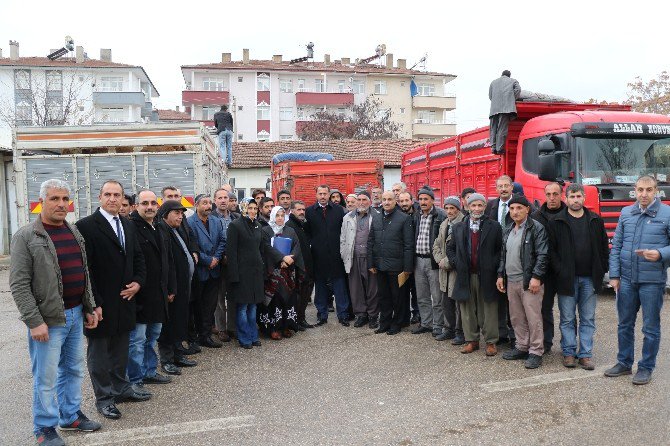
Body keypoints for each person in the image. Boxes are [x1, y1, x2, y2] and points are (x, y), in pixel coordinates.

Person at [10, 179, 101, 445]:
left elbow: (83, 272)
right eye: (54, 199)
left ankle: (70, 416)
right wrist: (33, 321)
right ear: (41, 201)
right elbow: (18, 284)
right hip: (48, 321)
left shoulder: (73, 231)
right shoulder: (26, 236)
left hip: (74, 313)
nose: (61, 204)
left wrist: (89, 306)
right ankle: (44, 428)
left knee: (73, 370)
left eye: (65, 199)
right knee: (46, 377)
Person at [75, 180, 148, 420]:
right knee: (99, 356)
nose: (113, 199)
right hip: (101, 303)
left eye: (117, 195)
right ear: (99, 197)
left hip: (126, 301)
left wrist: (138, 282)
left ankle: (121, 389)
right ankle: (104, 398)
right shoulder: (86, 226)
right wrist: (93, 303)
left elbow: (138, 257)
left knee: (120, 352)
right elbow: (85, 269)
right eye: (108, 194)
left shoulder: (127, 225)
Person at [605, 175, 670, 385]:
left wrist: (660, 254)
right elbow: (616, 246)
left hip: (652, 281)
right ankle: (624, 363)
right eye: (640, 190)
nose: (644, 194)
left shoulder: (667, 213)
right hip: (626, 280)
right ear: (635, 189)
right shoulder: (626, 212)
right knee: (624, 324)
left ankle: (645, 367)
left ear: (656, 190)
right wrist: (614, 275)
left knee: (650, 327)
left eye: (649, 190)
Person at [550, 184, 609, 370]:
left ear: (584, 198)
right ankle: (568, 352)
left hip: (589, 278)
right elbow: (551, 251)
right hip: (566, 279)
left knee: (588, 318)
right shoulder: (557, 221)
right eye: (572, 196)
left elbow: (603, 248)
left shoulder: (595, 220)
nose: (575, 200)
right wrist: (560, 269)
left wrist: (602, 268)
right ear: (565, 199)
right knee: (567, 318)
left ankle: (585, 354)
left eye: (578, 196)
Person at [127, 190, 175, 389]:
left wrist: (170, 287)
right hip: (140, 296)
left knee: (152, 337)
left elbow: (168, 259)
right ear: (136, 205)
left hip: (159, 295)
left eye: (153, 203)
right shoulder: (130, 227)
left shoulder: (160, 227)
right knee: (137, 341)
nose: (149, 207)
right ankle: (135, 380)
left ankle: (149, 371)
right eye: (145, 203)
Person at [447, 193, 502, 356]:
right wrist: (457, 262)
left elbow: (500, 250)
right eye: (473, 205)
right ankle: (472, 340)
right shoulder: (459, 227)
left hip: (487, 275)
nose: (476, 209)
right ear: (467, 207)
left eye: (480, 205)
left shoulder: (494, 226)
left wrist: (494, 266)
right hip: (466, 275)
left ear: (485, 207)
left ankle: (491, 342)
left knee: (489, 309)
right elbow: (450, 248)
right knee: (467, 310)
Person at [496, 195, 548, 369]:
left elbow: (542, 254)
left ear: (527, 209)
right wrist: (500, 275)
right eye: (512, 209)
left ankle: (536, 351)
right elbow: (503, 255)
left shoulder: (536, 228)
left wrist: (536, 277)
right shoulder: (509, 229)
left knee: (533, 317)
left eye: (519, 208)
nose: (515, 212)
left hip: (529, 281)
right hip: (511, 280)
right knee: (517, 317)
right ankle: (522, 346)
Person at [156, 200, 197, 375]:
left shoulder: (177, 229)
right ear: (165, 214)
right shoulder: (162, 231)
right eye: (176, 213)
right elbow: (165, 263)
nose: (181, 216)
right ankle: (167, 359)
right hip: (172, 287)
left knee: (179, 320)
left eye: (182, 213)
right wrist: (169, 288)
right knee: (168, 324)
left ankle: (178, 354)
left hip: (182, 285)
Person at [368, 191, 414, 335]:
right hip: (380, 265)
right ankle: (385, 322)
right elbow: (370, 242)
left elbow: (408, 245)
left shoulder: (404, 218)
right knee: (383, 297)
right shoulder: (375, 217)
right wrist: (371, 263)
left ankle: (397, 323)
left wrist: (407, 268)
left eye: (390, 199)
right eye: (384, 199)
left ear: (396, 201)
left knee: (398, 297)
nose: (386, 202)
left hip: (397, 267)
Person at [305, 184, 351, 326]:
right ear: (316, 195)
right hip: (318, 256)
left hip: (337, 256)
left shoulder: (338, 210)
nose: (323, 196)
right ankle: (322, 315)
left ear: (329, 194)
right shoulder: (310, 212)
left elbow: (344, 232)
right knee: (320, 288)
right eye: (320, 194)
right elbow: (307, 233)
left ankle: (343, 315)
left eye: (325, 193)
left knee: (340, 287)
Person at [187, 194, 226, 349]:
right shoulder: (190, 222)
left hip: (214, 271)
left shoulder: (217, 221)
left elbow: (223, 241)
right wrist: (208, 260)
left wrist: (216, 258)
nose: (208, 206)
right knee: (197, 306)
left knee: (210, 306)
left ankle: (206, 336)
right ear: (197, 205)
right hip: (200, 271)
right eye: (204, 203)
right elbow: (192, 245)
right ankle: (194, 337)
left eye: (210, 203)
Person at [258, 206, 303, 339]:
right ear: (272, 216)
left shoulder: (290, 230)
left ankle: (286, 326)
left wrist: (290, 258)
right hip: (272, 271)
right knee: (274, 300)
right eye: (277, 215)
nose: (280, 218)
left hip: (288, 270)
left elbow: (297, 246)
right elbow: (266, 248)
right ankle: (273, 328)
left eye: (282, 216)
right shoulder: (266, 230)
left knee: (288, 298)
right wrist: (281, 258)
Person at [531, 182, 566, 352]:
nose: (552, 198)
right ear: (544, 195)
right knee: (545, 309)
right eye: (549, 194)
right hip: (545, 273)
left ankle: (569, 346)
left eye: (555, 194)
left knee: (567, 311)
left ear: (561, 195)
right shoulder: (537, 216)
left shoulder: (569, 214)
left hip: (565, 271)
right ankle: (546, 342)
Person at [227, 198, 266, 349]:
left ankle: (253, 335)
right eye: (249, 208)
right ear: (243, 208)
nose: (253, 211)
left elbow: (260, 249)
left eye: (255, 208)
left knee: (253, 307)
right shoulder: (235, 225)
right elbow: (231, 252)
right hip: (242, 274)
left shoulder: (257, 225)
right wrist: (234, 276)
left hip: (255, 273)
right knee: (243, 307)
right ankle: (244, 338)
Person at [341, 191, 379, 329]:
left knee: (373, 288)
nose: (361, 202)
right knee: (356, 288)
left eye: (364, 199)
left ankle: (373, 316)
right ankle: (361, 315)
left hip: (370, 258)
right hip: (354, 256)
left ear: (370, 201)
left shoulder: (376, 216)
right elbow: (343, 239)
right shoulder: (347, 217)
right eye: (359, 199)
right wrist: (344, 255)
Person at [412, 187, 447, 337]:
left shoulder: (440, 215)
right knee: (422, 296)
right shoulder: (416, 215)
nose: (423, 202)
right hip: (418, 260)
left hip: (433, 262)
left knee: (437, 296)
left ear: (433, 200)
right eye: (420, 199)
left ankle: (438, 325)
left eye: (426, 199)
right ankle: (426, 323)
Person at [485, 175, 515, 347]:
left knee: (513, 299)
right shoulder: (490, 206)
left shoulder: (520, 204)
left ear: (512, 187)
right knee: (498, 297)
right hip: (495, 257)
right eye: (500, 186)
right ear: (496, 189)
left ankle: (514, 335)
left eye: (506, 186)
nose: (503, 189)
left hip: (513, 255)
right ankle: (501, 333)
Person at [432, 196, 465, 344]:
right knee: (446, 301)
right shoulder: (444, 223)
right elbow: (436, 245)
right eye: (447, 208)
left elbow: (462, 249)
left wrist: (447, 262)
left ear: (458, 209)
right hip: (443, 269)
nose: (449, 211)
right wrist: (439, 260)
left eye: (453, 208)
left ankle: (460, 332)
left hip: (456, 269)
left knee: (458, 303)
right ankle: (449, 329)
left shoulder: (463, 223)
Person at [286, 200, 315, 329]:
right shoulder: (290, 226)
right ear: (292, 211)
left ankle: (301, 319)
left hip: (307, 266)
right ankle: (296, 321)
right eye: (299, 210)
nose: (302, 212)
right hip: (297, 267)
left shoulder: (301, 224)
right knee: (298, 295)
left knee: (305, 294)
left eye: (303, 210)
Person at [211, 188, 235, 342]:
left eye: (225, 197)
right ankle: (221, 328)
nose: (223, 200)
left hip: (233, 264)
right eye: (220, 198)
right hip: (218, 263)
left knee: (232, 297)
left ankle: (232, 327)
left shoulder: (236, 218)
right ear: (215, 201)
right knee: (219, 298)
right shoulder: (210, 218)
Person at [398, 191, 420, 325]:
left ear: (412, 201)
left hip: (416, 257)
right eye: (402, 201)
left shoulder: (418, 216)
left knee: (416, 288)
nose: (404, 203)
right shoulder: (396, 215)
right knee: (403, 287)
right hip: (401, 258)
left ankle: (417, 313)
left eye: (407, 200)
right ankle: (404, 314)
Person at [489, 69, 521, 155]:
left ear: (502, 74)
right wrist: (511, 98)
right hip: (506, 108)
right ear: (509, 75)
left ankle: (493, 147)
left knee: (493, 128)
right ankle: (499, 148)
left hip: (494, 109)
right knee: (502, 128)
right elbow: (518, 90)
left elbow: (490, 96)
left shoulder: (493, 82)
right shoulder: (513, 81)